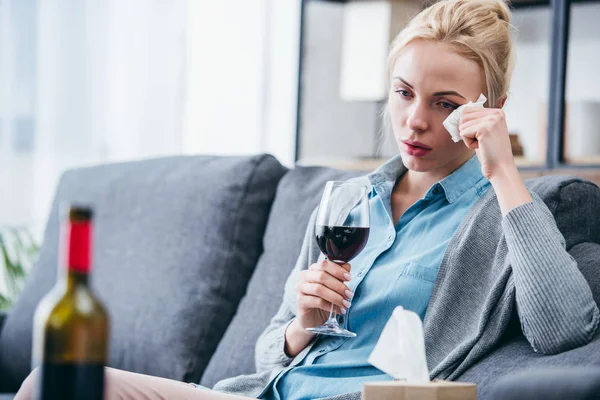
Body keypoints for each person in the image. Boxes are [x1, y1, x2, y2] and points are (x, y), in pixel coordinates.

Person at [16, 0, 600, 399]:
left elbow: (564, 330)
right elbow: (270, 353)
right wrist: (302, 323)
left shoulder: (505, 217)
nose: (414, 121)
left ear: (490, 106)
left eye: (445, 103)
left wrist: (503, 173)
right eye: (403, 93)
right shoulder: (347, 200)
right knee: (56, 381)